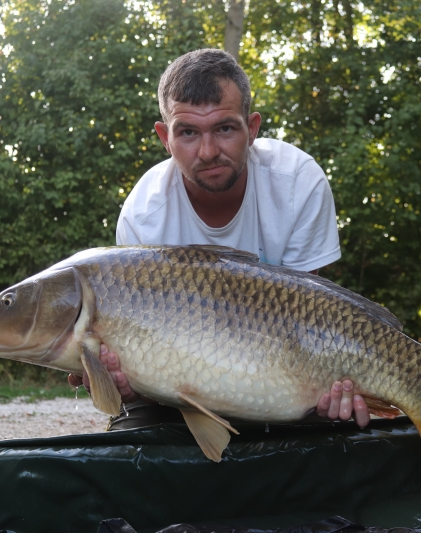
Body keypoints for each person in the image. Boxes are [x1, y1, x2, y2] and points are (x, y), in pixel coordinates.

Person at [68, 48, 370, 429]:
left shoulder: (299, 183)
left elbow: (317, 316)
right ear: (165, 136)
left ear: (253, 127)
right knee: (130, 449)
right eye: (188, 132)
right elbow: (140, 357)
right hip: (176, 391)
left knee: (338, 428)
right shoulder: (144, 215)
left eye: (225, 128)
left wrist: (333, 386)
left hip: (286, 377)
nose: (208, 152)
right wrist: (127, 383)